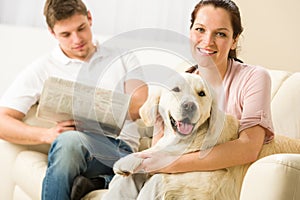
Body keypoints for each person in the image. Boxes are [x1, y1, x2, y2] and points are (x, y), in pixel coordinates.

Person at [102, 0, 274, 199]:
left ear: (234, 40)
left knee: (159, 184)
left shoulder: (254, 78)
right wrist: (150, 163)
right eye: (200, 29)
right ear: (190, 31)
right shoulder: (178, 80)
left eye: (221, 34)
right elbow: (161, 145)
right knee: (127, 178)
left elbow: (249, 148)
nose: (208, 41)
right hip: (178, 167)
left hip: (220, 176)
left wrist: (167, 164)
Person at [0, 0, 147, 199]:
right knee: (68, 141)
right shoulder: (43, 68)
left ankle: (104, 179)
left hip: (119, 150)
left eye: (81, 28)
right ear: (52, 33)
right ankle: (100, 181)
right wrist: (45, 135)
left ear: (90, 18)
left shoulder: (123, 57)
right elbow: (3, 121)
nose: (77, 39)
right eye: (66, 35)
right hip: (72, 151)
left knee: (70, 142)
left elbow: (140, 105)